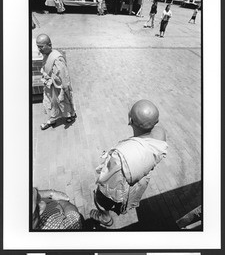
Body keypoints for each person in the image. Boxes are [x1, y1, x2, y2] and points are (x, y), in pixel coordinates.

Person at [90, 99, 168, 227]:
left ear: (130, 121)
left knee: (99, 199)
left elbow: (106, 180)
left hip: (121, 185)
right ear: (157, 121)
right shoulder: (161, 133)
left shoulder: (120, 156)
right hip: (140, 181)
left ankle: (105, 218)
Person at [36, 34, 77, 130]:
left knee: (63, 102)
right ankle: (52, 119)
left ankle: (70, 115)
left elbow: (64, 77)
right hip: (49, 87)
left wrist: (64, 91)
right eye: (38, 47)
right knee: (50, 103)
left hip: (58, 88)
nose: (39, 49)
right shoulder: (46, 54)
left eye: (41, 47)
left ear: (49, 45)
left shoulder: (57, 58)